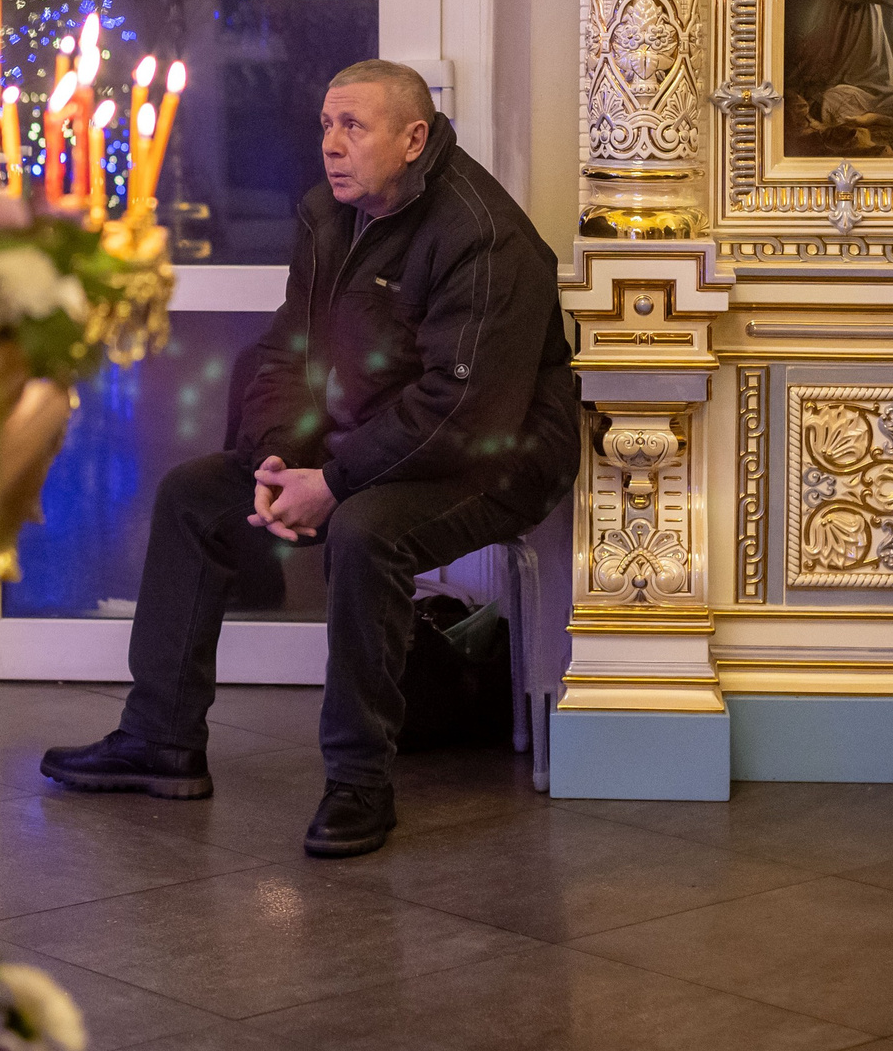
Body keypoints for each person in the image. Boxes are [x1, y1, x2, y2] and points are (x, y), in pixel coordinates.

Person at [39, 61, 577, 860]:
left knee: (366, 530)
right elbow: (285, 350)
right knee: (194, 495)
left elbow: (461, 413)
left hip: (496, 457)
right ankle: (160, 740)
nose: (330, 144)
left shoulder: (483, 236)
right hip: (367, 439)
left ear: (413, 138)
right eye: (325, 124)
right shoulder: (330, 213)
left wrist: (333, 482)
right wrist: (277, 459)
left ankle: (360, 780)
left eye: (352, 126)